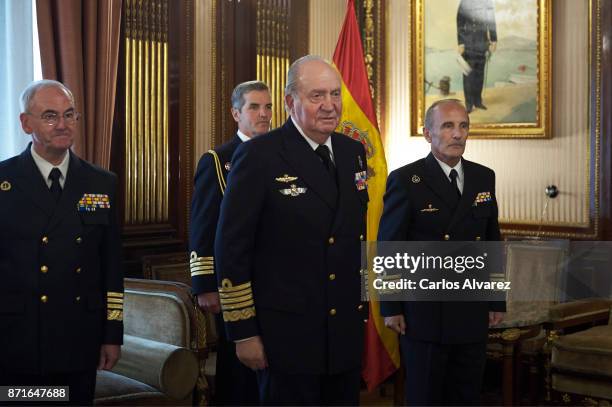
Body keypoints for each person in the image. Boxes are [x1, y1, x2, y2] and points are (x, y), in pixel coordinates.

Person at [214, 55, 368, 405]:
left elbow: (351, 241)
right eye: (317, 96)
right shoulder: (259, 156)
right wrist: (243, 331)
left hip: (342, 331)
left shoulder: (352, 152)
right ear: (290, 102)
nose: (330, 106)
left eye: (335, 94)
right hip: (286, 335)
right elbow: (231, 248)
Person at [0, 80, 123, 404]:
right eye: (51, 116)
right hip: (17, 336)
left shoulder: (100, 182)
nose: (63, 125)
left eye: (70, 115)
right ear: (27, 123)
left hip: (78, 336)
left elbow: (111, 267)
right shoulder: (4, 181)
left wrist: (112, 335)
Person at [379, 99, 504, 405]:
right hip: (425, 314)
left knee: (466, 396)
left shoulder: (483, 176)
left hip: (471, 312)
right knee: (426, 397)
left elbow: (492, 241)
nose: (457, 134)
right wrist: (390, 306)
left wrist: (496, 299)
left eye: (463, 126)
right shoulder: (406, 180)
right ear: (428, 133)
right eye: (447, 126)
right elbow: (388, 246)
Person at [189, 80, 272, 405]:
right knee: (238, 369)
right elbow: (203, 224)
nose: (263, 114)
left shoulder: (276, 155)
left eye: (267, 107)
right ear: (236, 113)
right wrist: (204, 284)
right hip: (231, 282)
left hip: (269, 281)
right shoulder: (218, 159)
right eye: (254, 107)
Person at [457, 0, 497, 113]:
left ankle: (478, 101)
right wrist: (461, 42)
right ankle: (469, 104)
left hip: (482, 42)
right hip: (468, 43)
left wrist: (493, 40)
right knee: (468, 75)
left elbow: (491, 21)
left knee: (479, 75)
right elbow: (460, 22)